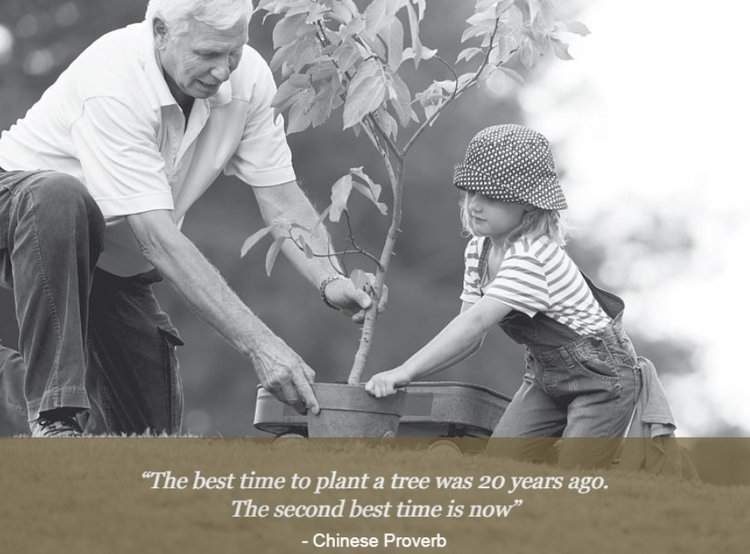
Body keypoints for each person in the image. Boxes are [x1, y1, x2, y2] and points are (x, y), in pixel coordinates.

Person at [0, 0, 379, 437]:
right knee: (61, 195)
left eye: (232, 52)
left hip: (111, 256)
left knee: (147, 437)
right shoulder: (113, 80)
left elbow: (281, 198)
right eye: (207, 54)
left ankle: (68, 429)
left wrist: (332, 282)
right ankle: (54, 416)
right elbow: (158, 240)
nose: (223, 71)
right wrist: (261, 346)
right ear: (161, 31)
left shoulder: (249, 80)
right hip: (21, 213)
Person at [365, 124, 656, 468]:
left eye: (491, 197)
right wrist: (411, 376)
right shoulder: (479, 250)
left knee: (573, 481)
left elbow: (475, 323)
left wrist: (405, 371)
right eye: (471, 193)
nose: (475, 205)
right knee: (502, 465)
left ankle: (607, 466)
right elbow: (468, 336)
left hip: (601, 380)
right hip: (546, 375)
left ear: (529, 207)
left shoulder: (532, 257)